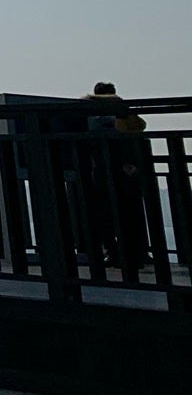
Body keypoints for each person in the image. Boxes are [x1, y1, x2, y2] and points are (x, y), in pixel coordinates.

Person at [84, 82, 150, 271]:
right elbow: (138, 129)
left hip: (103, 169)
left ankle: (114, 252)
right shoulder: (121, 113)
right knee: (129, 212)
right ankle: (133, 254)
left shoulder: (91, 115)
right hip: (124, 169)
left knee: (106, 214)